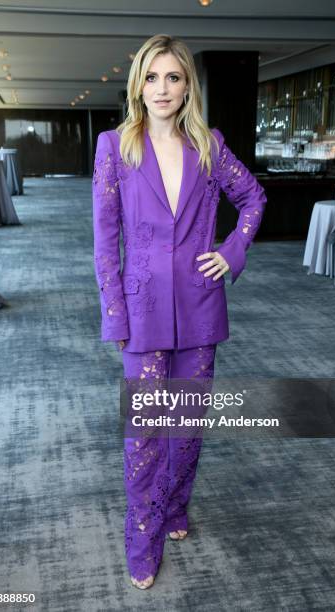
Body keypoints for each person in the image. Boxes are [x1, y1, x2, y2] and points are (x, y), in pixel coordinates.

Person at [92, 33, 267, 590]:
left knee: (186, 427)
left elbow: (253, 199)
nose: (162, 88)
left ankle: (172, 507)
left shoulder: (210, 146)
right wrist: (115, 315)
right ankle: (141, 536)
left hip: (199, 309)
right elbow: (104, 242)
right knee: (144, 431)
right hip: (141, 313)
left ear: (187, 84)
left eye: (173, 77)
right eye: (152, 77)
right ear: (137, 84)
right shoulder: (114, 147)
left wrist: (231, 251)